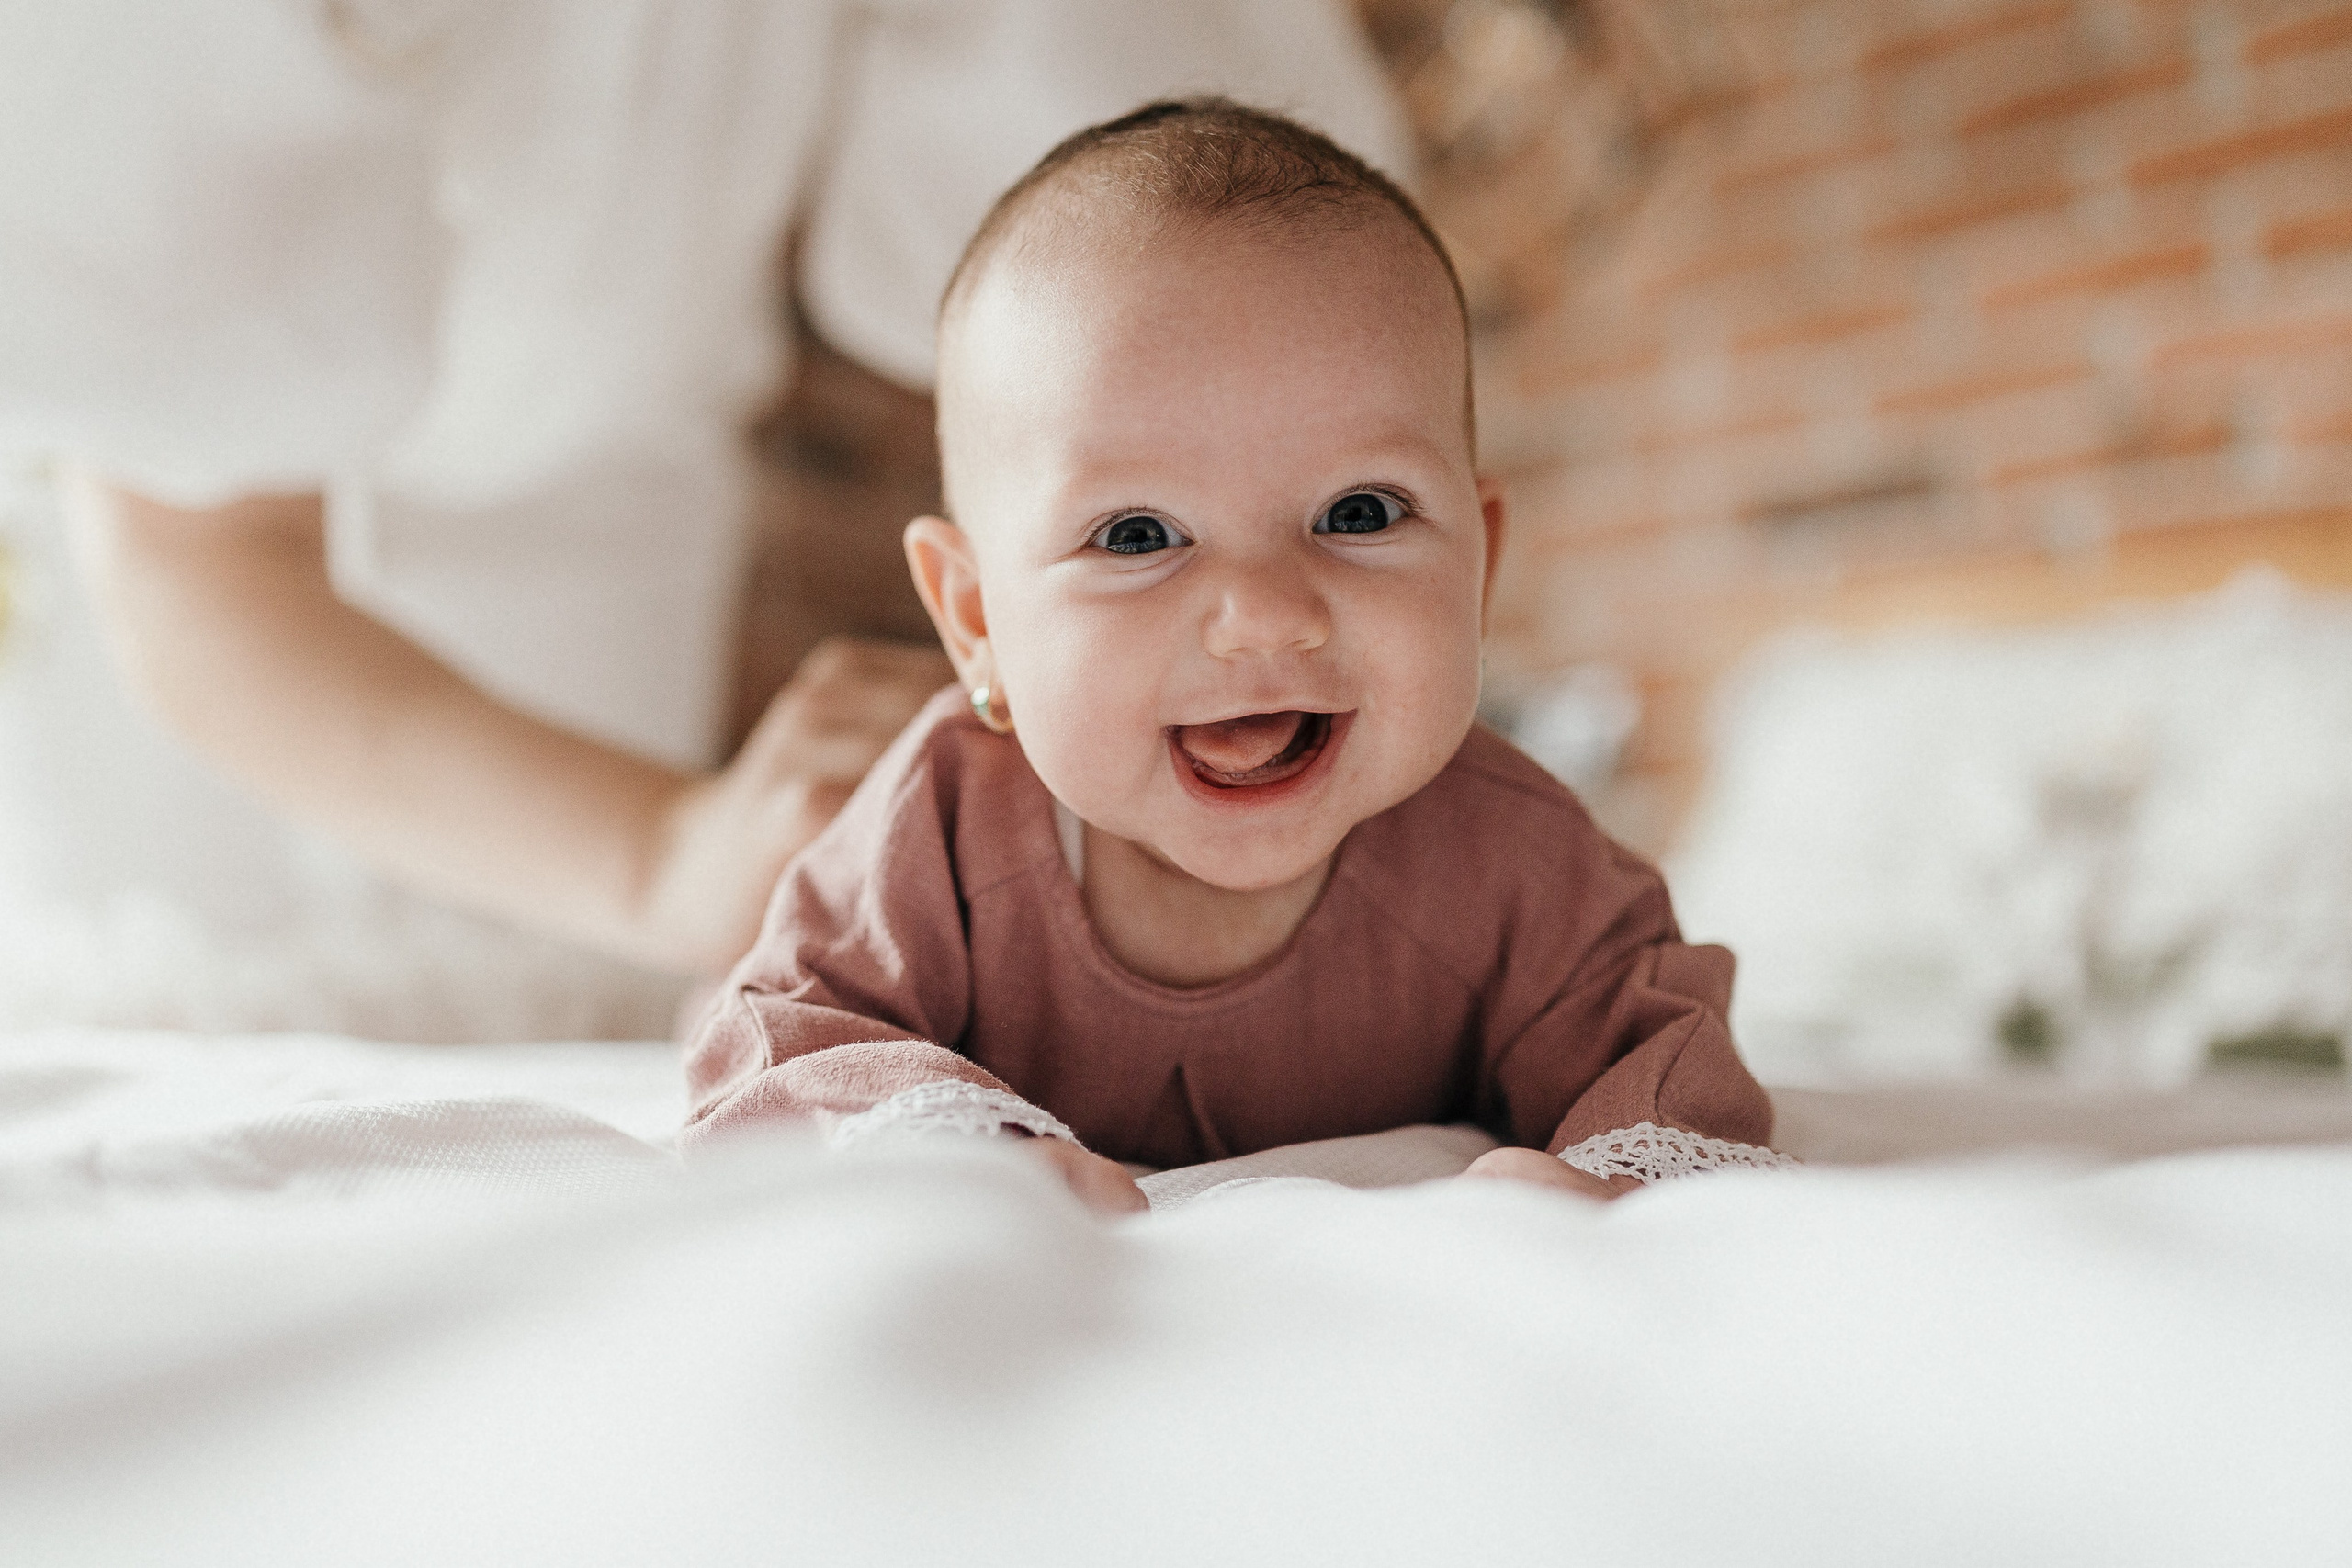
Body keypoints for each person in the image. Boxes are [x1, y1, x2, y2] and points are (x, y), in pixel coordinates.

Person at [2, 2, 1411, 1007]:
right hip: (221, 784)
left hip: (635, 681)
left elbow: (1139, 248)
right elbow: (193, 556)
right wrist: (657, 853)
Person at [682, 100, 1789, 1211]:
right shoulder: (943, 821)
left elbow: (1662, 1049)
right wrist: (953, 1149)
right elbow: (777, 1043)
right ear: (975, 622)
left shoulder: (1518, 858)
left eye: (1359, 512)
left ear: (1479, 568)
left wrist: (1618, 1179)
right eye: (1135, 536)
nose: (1264, 615)